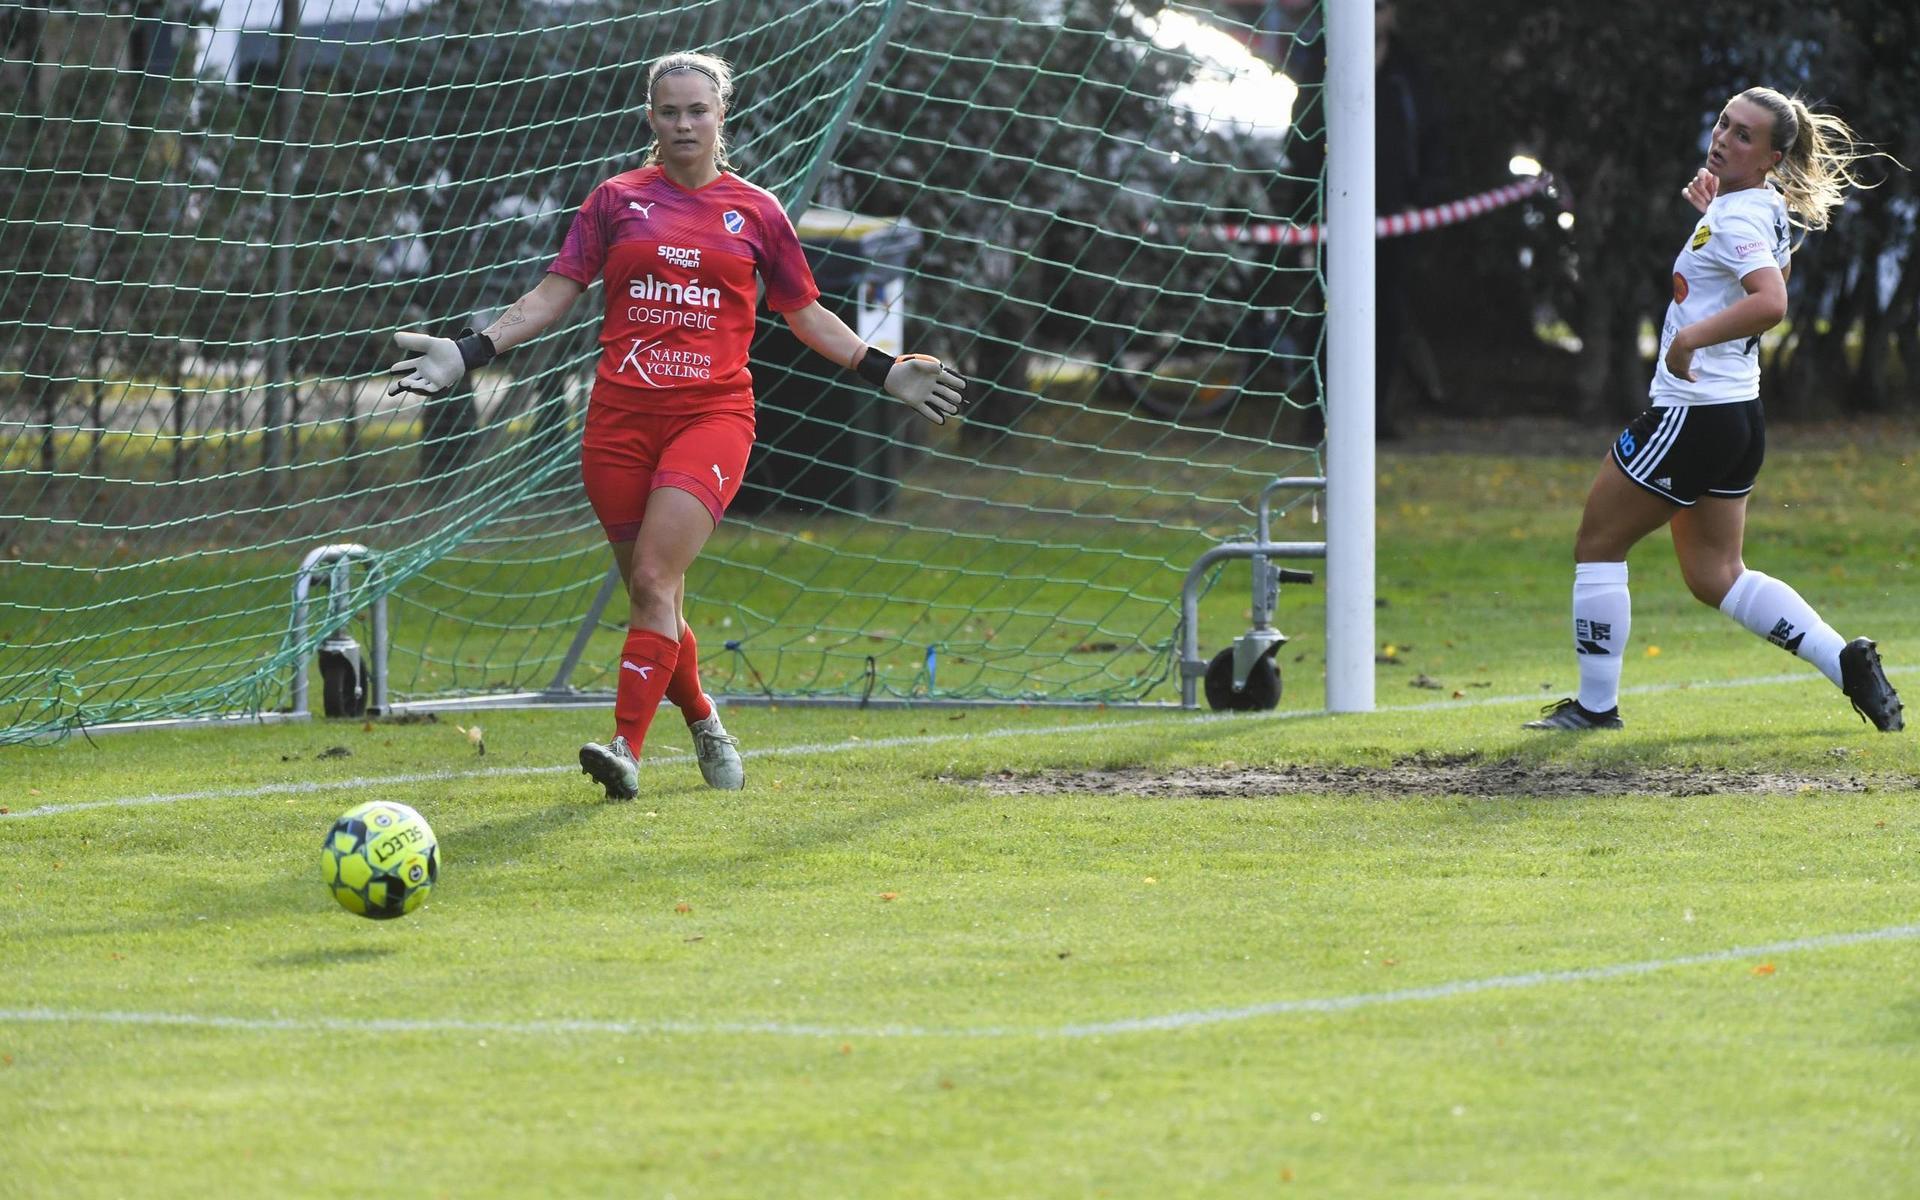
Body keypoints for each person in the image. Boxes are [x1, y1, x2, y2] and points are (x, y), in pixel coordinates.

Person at [388, 51, 967, 798]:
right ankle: (704, 719)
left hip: (712, 416)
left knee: (658, 577)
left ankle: (624, 748)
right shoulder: (614, 200)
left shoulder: (757, 211)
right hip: (618, 423)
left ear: (721, 115)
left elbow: (807, 314)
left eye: (698, 110)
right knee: (650, 596)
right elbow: (551, 295)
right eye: (670, 111)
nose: (684, 123)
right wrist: (468, 351)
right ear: (650, 118)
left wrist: (887, 370)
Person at [1526, 86, 1901, 734]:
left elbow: (1771, 300)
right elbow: (1758, 266)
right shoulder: (1756, 206)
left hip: (1693, 413)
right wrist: (1715, 208)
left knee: (1598, 542)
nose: (1724, 137)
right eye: (1724, 124)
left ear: (1771, 157)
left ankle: (1594, 707)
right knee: (1716, 575)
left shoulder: (1736, 216)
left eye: (1744, 135)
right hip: (1737, 420)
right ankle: (1844, 661)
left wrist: (1689, 339)